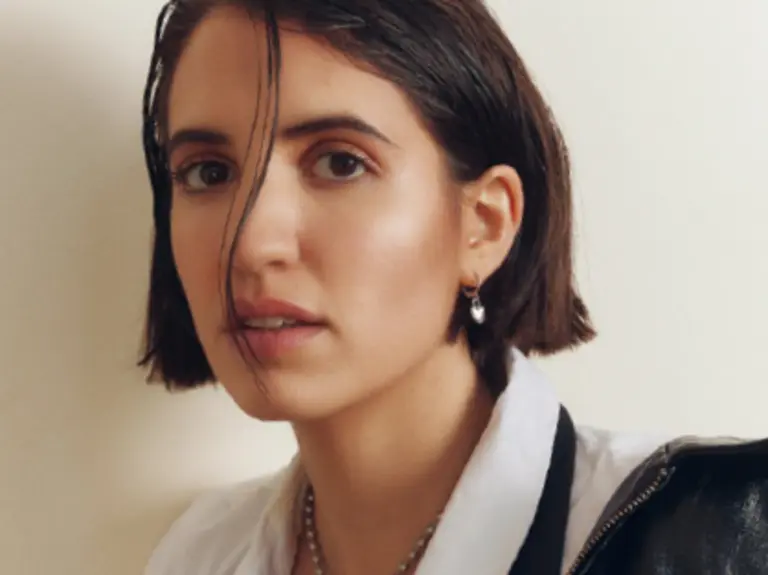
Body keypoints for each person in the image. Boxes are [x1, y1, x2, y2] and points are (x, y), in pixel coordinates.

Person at [138, 1, 768, 574]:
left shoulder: (705, 535)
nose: (251, 244)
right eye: (207, 173)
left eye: (340, 163)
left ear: (485, 223)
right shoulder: (199, 553)